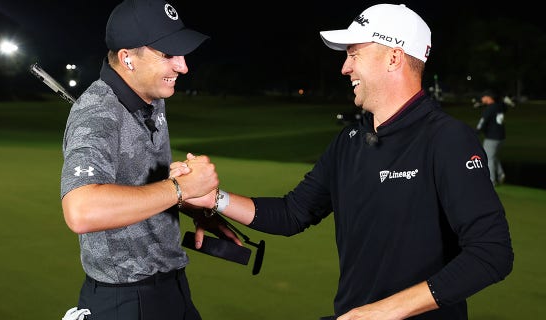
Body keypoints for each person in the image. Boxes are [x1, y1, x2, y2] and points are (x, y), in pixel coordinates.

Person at [177, 4, 514, 319]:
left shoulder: (447, 139)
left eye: (354, 55)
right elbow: (293, 212)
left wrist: (383, 312)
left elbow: (491, 252)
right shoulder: (349, 141)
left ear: (394, 58)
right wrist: (215, 200)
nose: (345, 67)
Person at [59, 1, 241, 319]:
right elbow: (81, 210)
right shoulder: (97, 112)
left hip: (172, 287)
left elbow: (139, 184)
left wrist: (190, 206)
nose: (183, 67)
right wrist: (181, 188)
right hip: (126, 300)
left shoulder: (151, 96)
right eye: (168, 55)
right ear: (128, 58)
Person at [476, 89, 507, 185]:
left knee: (488, 158)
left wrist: (475, 132)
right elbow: (505, 106)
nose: (482, 98)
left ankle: (491, 180)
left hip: (492, 138)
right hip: (501, 137)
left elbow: (482, 123)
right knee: (493, 156)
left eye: (483, 96)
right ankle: (500, 174)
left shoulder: (489, 109)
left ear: (488, 97)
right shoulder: (499, 106)